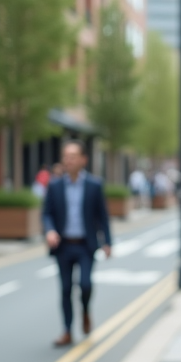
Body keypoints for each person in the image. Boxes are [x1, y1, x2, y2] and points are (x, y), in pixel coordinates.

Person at [42, 141, 112, 347]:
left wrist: (107, 242)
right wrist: (50, 230)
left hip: (85, 245)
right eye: (65, 156)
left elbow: (102, 216)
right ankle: (67, 330)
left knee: (85, 284)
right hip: (63, 245)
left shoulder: (94, 185)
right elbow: (47, 214)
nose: (68, 160)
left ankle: (86, 311)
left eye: (73, 156)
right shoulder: (54, 185)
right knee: (65, 289)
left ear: (83, 160)